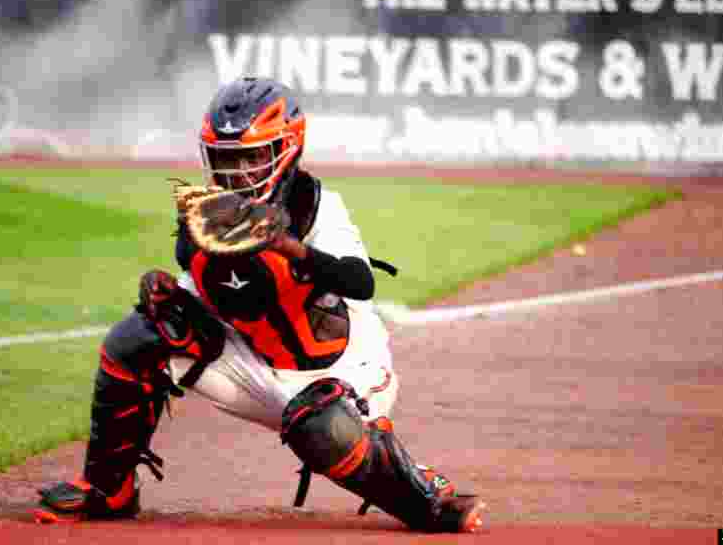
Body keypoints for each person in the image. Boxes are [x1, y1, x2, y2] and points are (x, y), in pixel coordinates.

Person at [34, 77, 486, 533]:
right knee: (141, 336)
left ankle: (423, 499)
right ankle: (108, 489)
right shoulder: (205, 217)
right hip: (254, 369)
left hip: (342, 373)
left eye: (252, 157)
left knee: (323, 427)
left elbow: (359, 280)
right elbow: (203, 290)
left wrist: (285, 246)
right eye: (227, 160)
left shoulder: (315, 204)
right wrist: (167, 291)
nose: (238, 173)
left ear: (288, 149)